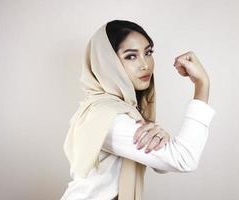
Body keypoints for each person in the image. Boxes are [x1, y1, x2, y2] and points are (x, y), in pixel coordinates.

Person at [60, 20, 216, 200]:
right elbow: (183, 159)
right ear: (107, 63)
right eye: (131, 56)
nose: (145, 65)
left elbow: (161, 164)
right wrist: (202, 84)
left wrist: (160, 138)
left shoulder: (113, 109)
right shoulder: (109, 116)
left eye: (148, 52)